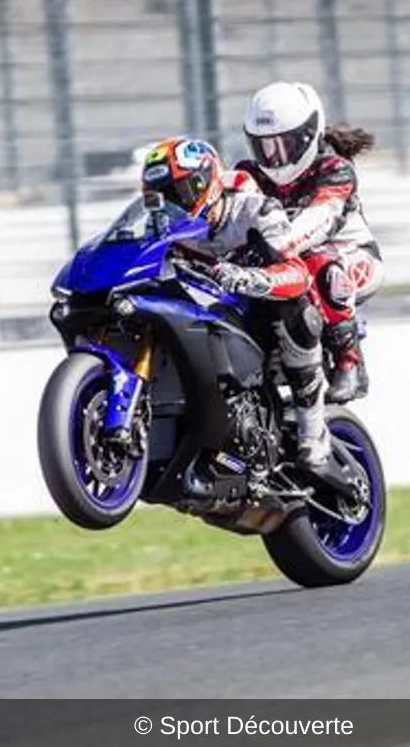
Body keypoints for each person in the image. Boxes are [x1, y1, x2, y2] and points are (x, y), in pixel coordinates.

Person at [140, 136, 332, 469]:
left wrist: (254, 279)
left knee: (299, 313)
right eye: (162, 198)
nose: (173, 205)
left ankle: (313, 431)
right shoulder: (162, 230)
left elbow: (297, 272)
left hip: (257, 316)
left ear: (208, 182)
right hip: (203, 316)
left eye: (180, 192)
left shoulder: (255, 209)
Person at [235, 80, 384, 404]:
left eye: (285, 144)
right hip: (283, 259)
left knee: (318, 262)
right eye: (266, 147)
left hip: (353, 260)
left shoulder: (333, 169)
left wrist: (280, 243)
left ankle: (349, 360)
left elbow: (321, 218)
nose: (276, 158)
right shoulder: (248, 173)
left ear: (309, 135)